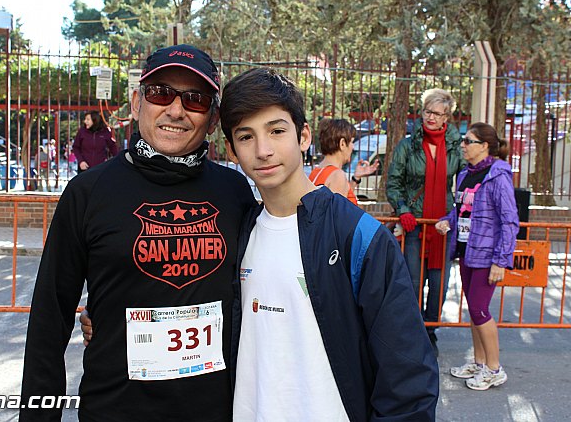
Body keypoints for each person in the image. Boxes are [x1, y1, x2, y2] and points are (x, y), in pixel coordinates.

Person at [20, 44, 258, 421]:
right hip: (115, 408)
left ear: (212, 119)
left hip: (215, 409)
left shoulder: (236, 192)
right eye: (160, 93)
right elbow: (50, 320)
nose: (176, 110)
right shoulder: (88, 193)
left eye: (195, 99)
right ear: (136, 103)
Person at [221, 68, 438, 420]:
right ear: (231, 150)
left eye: (276, 131)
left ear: (303, 135)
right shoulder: (237, 233)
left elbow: (407, 377)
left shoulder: (359, 237)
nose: (263, 150)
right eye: (246, 137)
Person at [435, 122, 519, 391]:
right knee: (474, 310)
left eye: (468, 141)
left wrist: (500, 260)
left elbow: (509, 222)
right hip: (466, 251)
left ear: (484, 146)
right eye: (463, 140)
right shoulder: (464, 175)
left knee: (481, 311)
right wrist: (447, 221)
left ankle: (495, 368)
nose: (463, 145)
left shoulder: (498, 176)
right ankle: (480, 362)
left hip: (487, 255)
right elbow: (462, 210)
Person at [386, 88, 465, 356]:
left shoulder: (456, 148)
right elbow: (394, 184)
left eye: (437, 113)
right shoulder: (408, 146)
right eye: (427, 111)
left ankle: (430, 331)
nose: (431, 117)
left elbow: (464, 186)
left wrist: (453, 214)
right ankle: (415, 332)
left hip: (442, 226)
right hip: (414, 225)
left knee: (439, 284)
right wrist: (403, 210)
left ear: (447, 118)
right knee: (412, 282)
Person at [309, 118, 379, 205]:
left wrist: (355, 179)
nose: (353, 147)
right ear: (342, 144)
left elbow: (344, 200)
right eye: (352, 142)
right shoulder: (337, 175)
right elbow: (338, 215)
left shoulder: (316, 172)